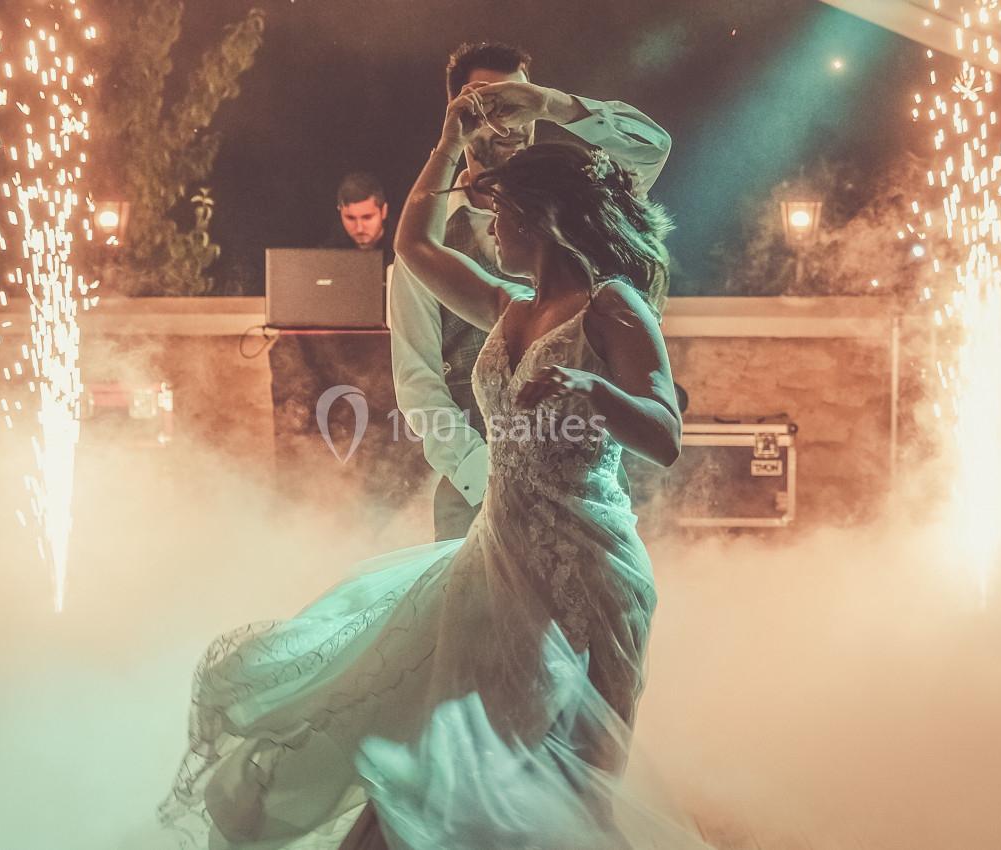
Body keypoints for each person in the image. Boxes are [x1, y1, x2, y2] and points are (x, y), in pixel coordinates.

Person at [157, 78, 708, 850]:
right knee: (426, 767)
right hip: (492, 563)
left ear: (538, 219)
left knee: (570, 788)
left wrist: (593, 392)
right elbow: (414, 247)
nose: (487, 229)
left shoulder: (614, 305)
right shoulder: (511, 305)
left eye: (498, 216)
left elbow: (665, 434)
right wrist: (446, 140)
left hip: (584, 574)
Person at [389, 42, 674, 541]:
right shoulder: (468, 263)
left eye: (513, 102)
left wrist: (550, 103)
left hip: (582, 490)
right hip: (473, 486)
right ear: (456, 108)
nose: (507, 123)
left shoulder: (584, 209)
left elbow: (651, 147)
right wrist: (489, 480)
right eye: (487, 104)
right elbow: (419, 381)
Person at [324, 171, 396, 270]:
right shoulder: (330, 250)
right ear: (340, 212)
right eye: (350, 218)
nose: (359, 228)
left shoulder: (404, 247)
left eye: (367, 217)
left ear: (384, 211)